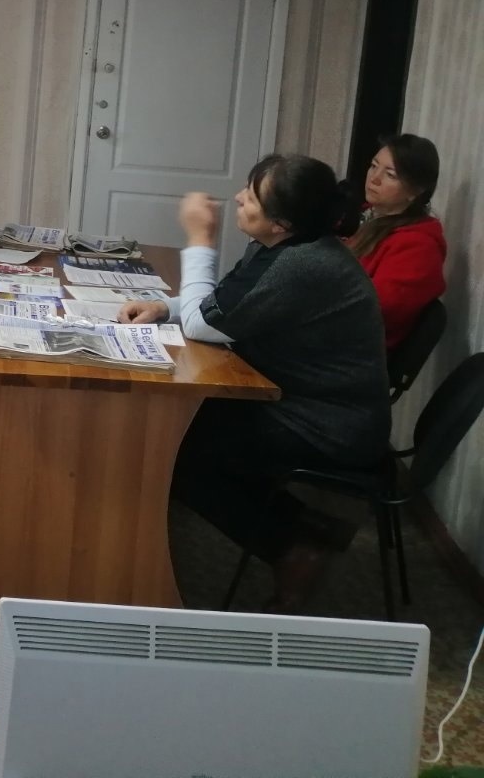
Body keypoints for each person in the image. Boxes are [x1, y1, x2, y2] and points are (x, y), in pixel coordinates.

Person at [117, 154, 390, 611]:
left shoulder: (302, 265)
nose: (239, 198)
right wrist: (166, 307)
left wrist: (200, 239)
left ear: (281, 223)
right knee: (171, 432)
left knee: (174, 448)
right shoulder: (284, 246)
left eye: (253, 197)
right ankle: (300, 529)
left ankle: (295, 545)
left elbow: (205, 322)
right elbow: (224, 304)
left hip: (327, 425)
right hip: (292, 399)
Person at [344, 134, 446, 349]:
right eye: (373, 166)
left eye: (390, 174)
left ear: (416, 190)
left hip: (351, 352)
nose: (374, 178)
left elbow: (372, 308)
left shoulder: (419, 247)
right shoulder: (372, 220)